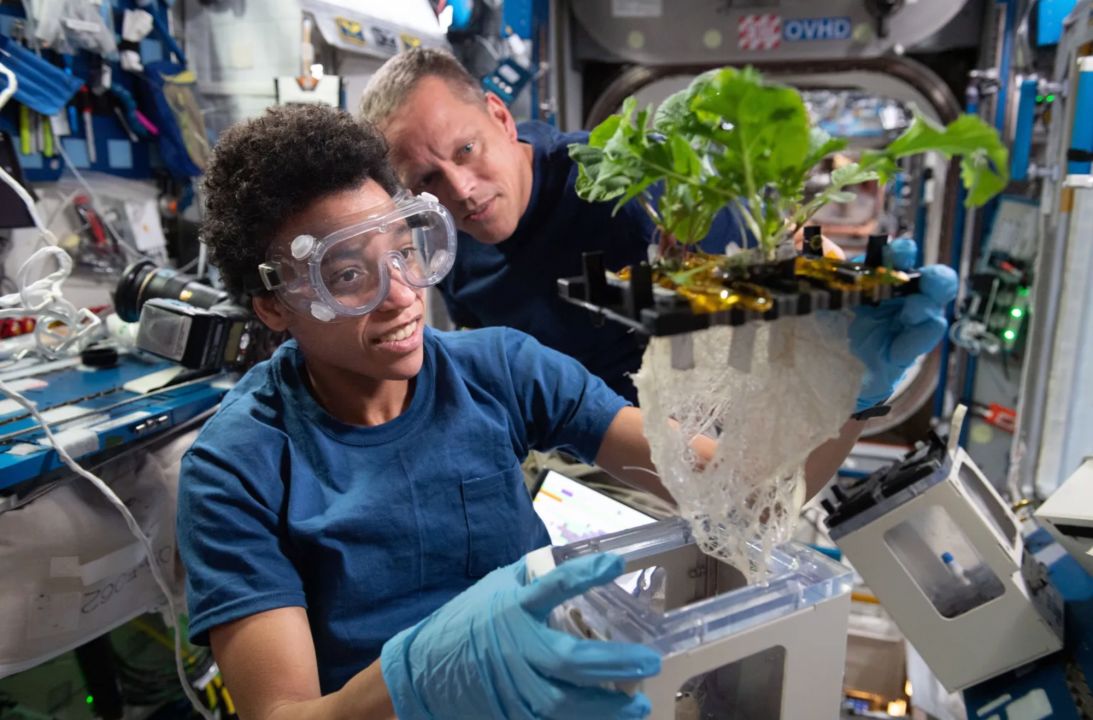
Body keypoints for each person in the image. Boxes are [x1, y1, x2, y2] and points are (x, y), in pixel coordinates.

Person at [177, 103, 878, 720]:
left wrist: (850, 393)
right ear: (274, 305)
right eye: (349, 276)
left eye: (405, 252)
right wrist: (422, 676)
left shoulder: (501, 370)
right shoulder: (235, 467)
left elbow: (740, 500)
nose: (402, 296)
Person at [359, 49, 753, 403]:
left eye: (466, 150)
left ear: (501, 117)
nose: (461, 190)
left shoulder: (626, 186)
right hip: (563, 446)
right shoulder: (444, 246)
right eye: (428, 179)